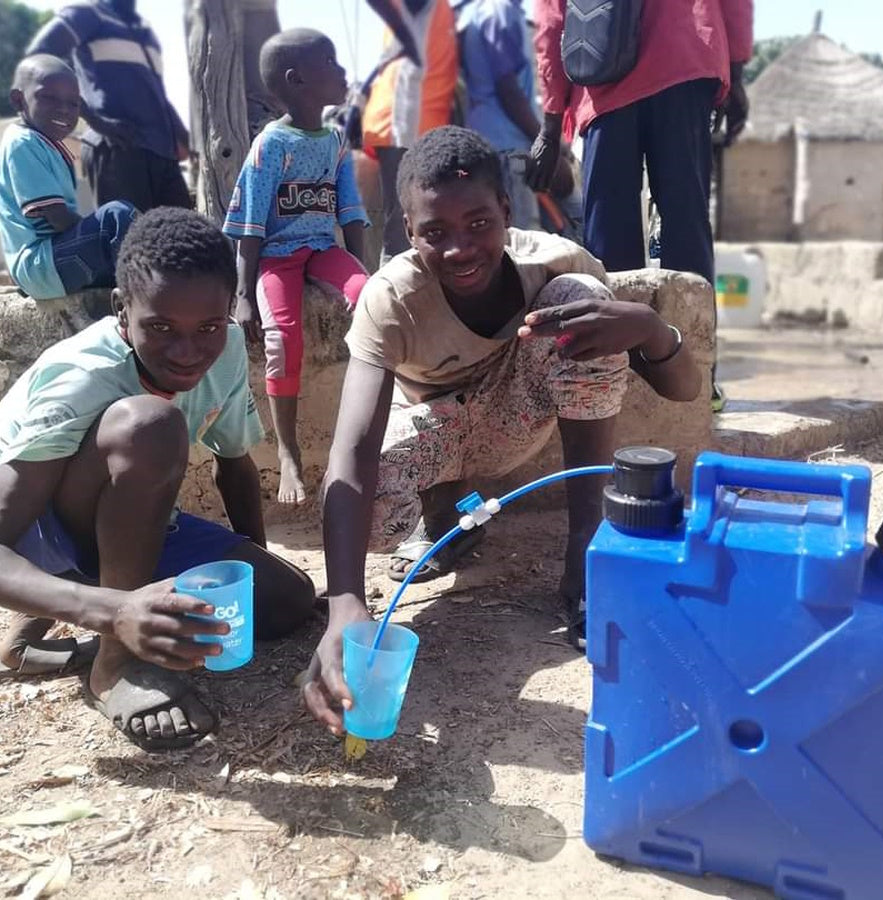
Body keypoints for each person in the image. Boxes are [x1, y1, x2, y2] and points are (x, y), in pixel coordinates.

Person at [301, 126, 701, 730]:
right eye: (435, 232)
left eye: (479, 223)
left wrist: (648, 325)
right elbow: (353, 451)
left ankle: (584, 557)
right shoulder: (392, 298)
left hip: (517, 417)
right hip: (437, 432)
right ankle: (450, 522)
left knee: (579, 295)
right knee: (376, 507)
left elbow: (683, 389)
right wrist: (344, 604)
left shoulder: (554, 264)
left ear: (506, 213)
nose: (461, 247)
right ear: (408, 233)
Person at [0, 207, 317, 752]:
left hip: (121, 522)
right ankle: (114, 668)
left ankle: (33, 638)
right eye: (162, 327)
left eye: (209, 327)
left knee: (291, 601)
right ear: (122, 309)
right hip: (38, 526)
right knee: (149, 424)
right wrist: (116, 613)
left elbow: (235, 464)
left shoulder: (224, 353)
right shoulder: (81, 377)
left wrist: (244, 569)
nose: (188, 351)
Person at [528, 0, 753, 411]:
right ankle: (697, 379)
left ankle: (615, 376)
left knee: (607, 235)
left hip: (604, 73)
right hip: (686, 61)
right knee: (687, 227)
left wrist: (550, 117)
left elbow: (551, 19)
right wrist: (735, 74)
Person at [223, 28, 370, 507]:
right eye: (330, 60)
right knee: (282, 338)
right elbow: (249, 222)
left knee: (373, 303)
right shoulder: (271, 144)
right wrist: (244, 295)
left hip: (321, 250)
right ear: (298, 79)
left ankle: (374, 428)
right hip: (278, 257)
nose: (343, 70)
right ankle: (288, 452)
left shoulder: (334, 141)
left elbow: (349, 210)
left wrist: (364, 274)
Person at [26, 0, 192, 212]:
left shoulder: (145, 33)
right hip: (117, 148)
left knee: (184, 234)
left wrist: (183, 136)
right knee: (129, 240)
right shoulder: (86, 14)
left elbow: (156, 93)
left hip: (162, 153)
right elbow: (38, 59)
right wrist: (96, 121)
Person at [0, 55, 136, 300]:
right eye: (49, 98)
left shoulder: (44, 143)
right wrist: (97, 234)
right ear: (19, 100)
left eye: (73, 104)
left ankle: (143, 284)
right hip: (42, 265)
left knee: (123, 236)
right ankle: (152, 292)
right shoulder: (23, 143)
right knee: (117, 215)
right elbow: (58, 218)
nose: (63, 109)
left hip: (52, 264)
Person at [363, 0, 458, 264]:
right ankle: (390, 296)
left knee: (418, 218)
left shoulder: (442, 10)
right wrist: (406, 36)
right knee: (401, 226)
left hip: (422, 125)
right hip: (403, 123)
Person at [453, 0, 541, 229]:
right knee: (521, 241)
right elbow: (507, 89)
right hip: (508, 146)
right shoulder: (499, 11)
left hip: (490, 143)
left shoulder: (477, 12)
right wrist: (544, 140)